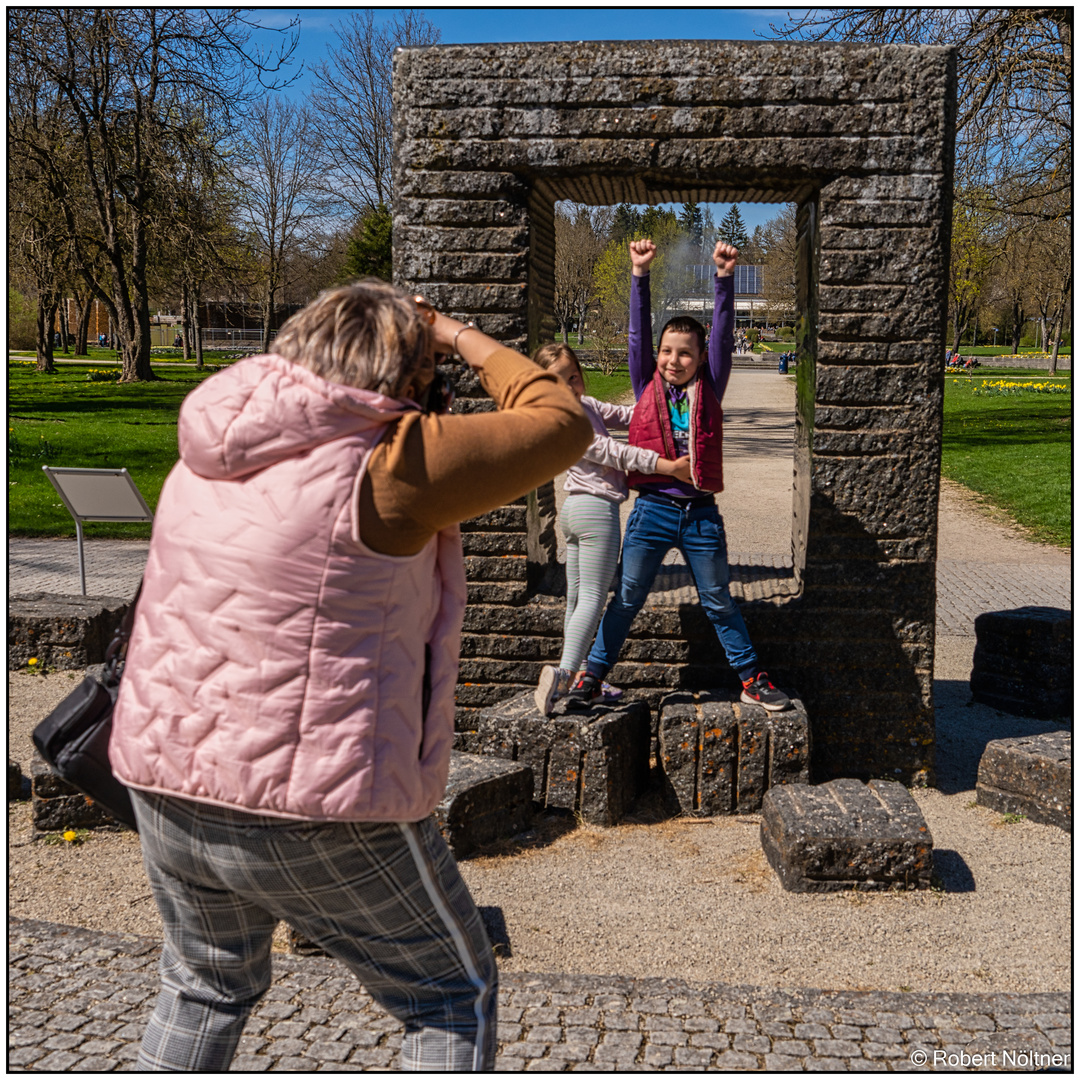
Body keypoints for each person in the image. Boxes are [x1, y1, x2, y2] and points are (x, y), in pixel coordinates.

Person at [108, 278, 592, 1072]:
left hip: (165, 782)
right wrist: (459, 335)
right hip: (315, 802)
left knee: (203, 985)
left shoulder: (211, 446)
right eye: (425, 378)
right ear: (406, 378)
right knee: (449, 992)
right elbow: (560, 420)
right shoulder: (390, 461)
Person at [565, 238, 790, 713]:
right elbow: (635, 338)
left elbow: (724, 337)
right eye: (667, 351)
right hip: (651, 512)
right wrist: (639, 275)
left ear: (699, 357)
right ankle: (591, 675)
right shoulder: (648, 381)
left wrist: (724, 280)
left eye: (684, 353)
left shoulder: (710, 384)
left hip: (701, 514)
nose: (672, 360)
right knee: (625, 598)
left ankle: (752, 677)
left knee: (719, 601)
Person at [530, 342, 690, 715]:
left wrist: (666, 403)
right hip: (596, 513)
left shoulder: (585, 405)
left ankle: (585, 678)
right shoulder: (565, 419)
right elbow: (615, 452)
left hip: (574, 510)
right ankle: (565, 677)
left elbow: (627, 415)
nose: (570, 386)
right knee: (590, 600)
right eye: (558, 381)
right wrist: (667, 467)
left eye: (574, 376)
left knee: (576, 600)